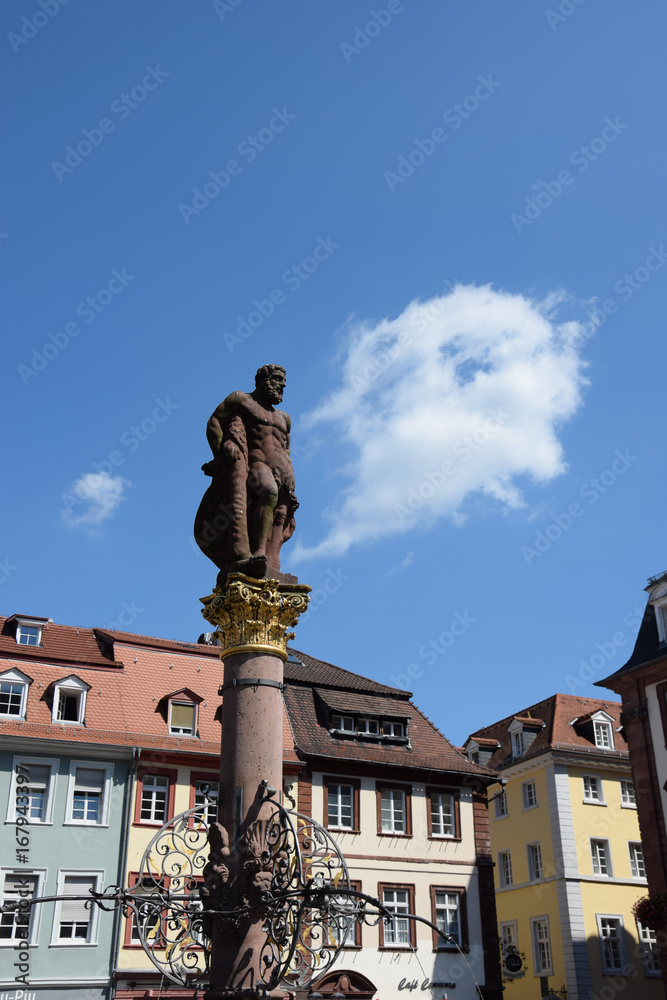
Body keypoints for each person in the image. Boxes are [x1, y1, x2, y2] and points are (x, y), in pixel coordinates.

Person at [194, 364, 298, 582]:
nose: (283, 385)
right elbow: (214, 422)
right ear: (263, 380)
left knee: (280, 515)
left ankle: (271, 560)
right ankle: (258, 552)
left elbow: (286, 447)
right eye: (278, 380)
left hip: (283, 474)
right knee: (267, 492)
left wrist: (287, 466)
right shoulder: (242, 400)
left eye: (284, 382)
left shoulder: (284, 418)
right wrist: (221, 450)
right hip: (256, 465)